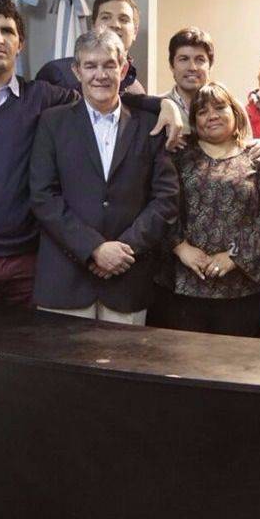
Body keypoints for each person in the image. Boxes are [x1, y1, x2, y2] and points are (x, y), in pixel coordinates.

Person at [0, 0, 182, 309]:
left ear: (20, 43)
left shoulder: (44, 97)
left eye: (7, 31)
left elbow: (102, 96)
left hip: (30, 259)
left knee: (33, 342)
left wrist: (163, 104)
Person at [30, 30, 179, 324]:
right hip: (65, 281)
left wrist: (124, 250)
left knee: (125, 357)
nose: (101, 74)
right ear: (77, 71)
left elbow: (166, 199)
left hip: (128, 279)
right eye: (90, 65)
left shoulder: (150, 125)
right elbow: (43, 197)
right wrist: (93, 248)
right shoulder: (52, 122)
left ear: (123, 69)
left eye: (109, 65)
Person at [151, 82, 260, 337]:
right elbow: (162, 205)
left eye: (220, 108)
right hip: (184, 282)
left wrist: (234, 256)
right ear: (194, 121)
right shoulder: (178, 156)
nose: (211, 116)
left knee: (241, 358)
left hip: (244, 285)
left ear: (235, 112)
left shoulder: (258, 156)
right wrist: (180, 247)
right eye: (202, 111)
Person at [34, 0, 147, 94]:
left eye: (123, 19)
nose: (115, 24)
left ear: (135, 32)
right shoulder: (56, 73)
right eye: (106, 17)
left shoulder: (136, 90)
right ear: (93, 26)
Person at [162, 27, 214, 133]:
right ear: (172, 66)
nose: (192, 67)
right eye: (184, 59)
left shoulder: (228, 111)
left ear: (210, 67)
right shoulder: (156, 109)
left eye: (200, 60)